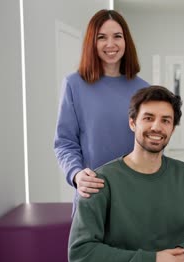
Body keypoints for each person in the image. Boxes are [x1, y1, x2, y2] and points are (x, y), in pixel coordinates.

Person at [68, 86, 184, 262]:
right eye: (148, 118)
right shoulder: (99, 182)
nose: (156, 127)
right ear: (132, 123)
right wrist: (153, 260)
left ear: (172, 129)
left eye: (165, 121)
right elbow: (81, 252)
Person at [54, 9, 148, 211]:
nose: (111, 44)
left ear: (126, 41)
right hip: (92, 193)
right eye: (102, 37)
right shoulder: (74, 84)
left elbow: (149, 144)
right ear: (92, 42)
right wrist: (76, 174)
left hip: (135, 192)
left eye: (117, 36)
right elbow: (65, 142)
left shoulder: (143, 90)